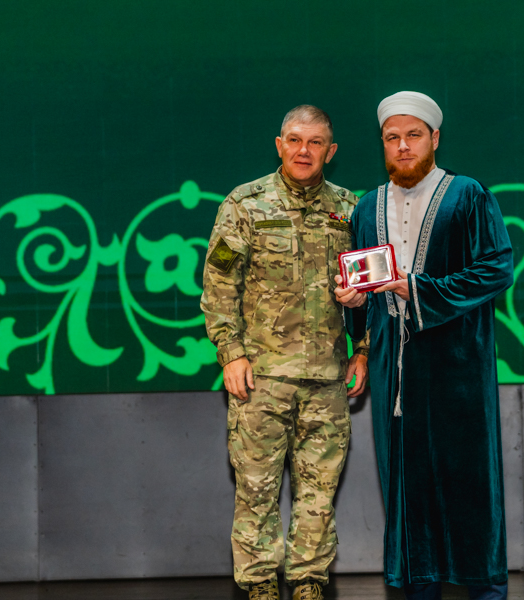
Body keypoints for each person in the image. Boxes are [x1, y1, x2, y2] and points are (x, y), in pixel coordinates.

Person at [335, 91, 514, 600]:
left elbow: (496, 269)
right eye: (392, 137)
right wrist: (353, 305)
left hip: (458, 366)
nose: (403, 146)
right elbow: (365, 297)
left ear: (434, 138)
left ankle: (485, 590)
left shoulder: (468, 195)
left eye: (413, 135)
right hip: (395, 370)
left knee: (469, 485)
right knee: (406, 487)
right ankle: (419, 588)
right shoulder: (366, 207)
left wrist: (417, 289)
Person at [201, 105, 368, 600]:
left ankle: (309, 581)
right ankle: (259, 585)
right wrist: (230, 353)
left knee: (319, 492)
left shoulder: (353, 210)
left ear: (330, 152)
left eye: (315, 142)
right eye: (295, 140)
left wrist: (362, 351)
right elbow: (219, 284)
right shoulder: (245, 204)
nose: (303, 150)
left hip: (328, 379)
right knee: (256, 488)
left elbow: (370, 293)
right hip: (262, 378)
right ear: (279, 145)